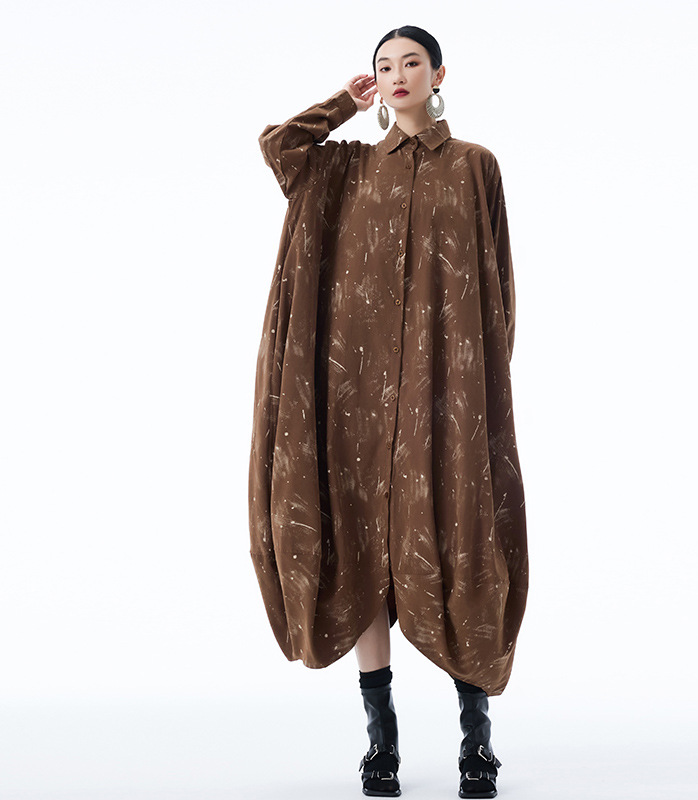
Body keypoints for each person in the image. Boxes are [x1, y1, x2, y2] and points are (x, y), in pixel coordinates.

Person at [248, 25, 528, 799]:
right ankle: (382, 741)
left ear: (439, 73)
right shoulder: (344, 169)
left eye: (411, 63)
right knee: (359, 547)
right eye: (385, 65)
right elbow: (278, 148)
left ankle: (477, 739)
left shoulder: (474, 166)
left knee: (459, 542)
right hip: (354, 400)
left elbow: (499, 289)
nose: (398, 74)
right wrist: (342, 103)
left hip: (445, 396)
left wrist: (478, 388)